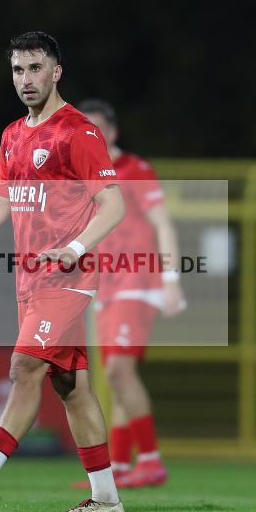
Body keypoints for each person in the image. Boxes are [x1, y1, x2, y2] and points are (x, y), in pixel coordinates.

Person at [0, 32, 126, 512]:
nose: (26, 79)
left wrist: (75, 249)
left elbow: (114, 205)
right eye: (18, 69)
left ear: (57, 72)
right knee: (71, 387)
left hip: (68, 278)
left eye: (36, 68)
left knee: (24, 367)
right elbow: (0, 203)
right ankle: (106, 499)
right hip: (31, 281)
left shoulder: (78, 131)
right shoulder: (13, 135)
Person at [76, 98, 186, 488]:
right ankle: (121, 465)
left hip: (138, 284)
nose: (94, 135)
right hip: (108, 290)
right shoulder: (87, 176)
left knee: (118, 372)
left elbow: (164, 225)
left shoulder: (135, 171)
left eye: (100, 128)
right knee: (120, 377)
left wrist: (172, 278)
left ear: (113, 132)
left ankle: (151, 460)